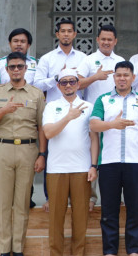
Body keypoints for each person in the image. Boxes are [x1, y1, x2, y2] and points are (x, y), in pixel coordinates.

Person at [0, 51, 47, 256]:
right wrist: (3, 110)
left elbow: (41, 127)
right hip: (3, 149)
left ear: (26, 68)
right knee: (3, 202)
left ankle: (18, 249)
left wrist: (42, 154)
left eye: (20, 66)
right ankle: (4, 250)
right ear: (7, 70)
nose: (16, 70)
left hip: (28, 150)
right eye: (12, 67)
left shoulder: (36, 94)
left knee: (21, 202)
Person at [89, 61, 138, 256]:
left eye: (126, 75)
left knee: (134, 208)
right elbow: (93, 125)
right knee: (109, 210)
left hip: (134, 162)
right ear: (114, 77)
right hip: (108, 163)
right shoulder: (103, 100)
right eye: (118, 75)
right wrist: (112, 124)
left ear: (133, 77)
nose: (122, 78)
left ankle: (134, 250)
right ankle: (110, 251)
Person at [42, 72, 98, 256]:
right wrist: (68, 116)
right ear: (58, 86)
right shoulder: (52, 106)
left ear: (78, 84)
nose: (68, 85)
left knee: (80, 220)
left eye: (72, 82)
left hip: (82, 169)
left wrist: (93, 165)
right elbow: (48, 133)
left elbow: (94, 138)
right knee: (56, 219)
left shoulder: (89, 107)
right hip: (56, 169)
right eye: (64, 82)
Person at [34, 18, 86, 108]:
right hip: (54, 109)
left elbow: (88, 85)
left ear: (74, 34)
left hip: (78, 108)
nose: (66, 34)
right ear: (57, 34)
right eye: (63, 31)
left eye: (69, 31)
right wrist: (57, 77)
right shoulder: (46, 58)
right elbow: (37, 86)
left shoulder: (83, 58)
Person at [78, 24, 123, 106]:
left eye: (109, 40)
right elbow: (76, 84)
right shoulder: (88, 59)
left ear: (115, 41)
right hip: (94, 109)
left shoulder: (120, 60)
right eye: (103, 39)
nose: (106, 42)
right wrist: (95, 77)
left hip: (116, 108)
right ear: (97, 40)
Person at [0, 28, 37, 96]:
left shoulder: (37, 63)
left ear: (28, 45)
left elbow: (43, 89)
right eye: (15, 41)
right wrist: (11, 87)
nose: (19, 44)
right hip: (5, 104)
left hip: (29, 104)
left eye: (23, 41)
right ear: (10, 44)